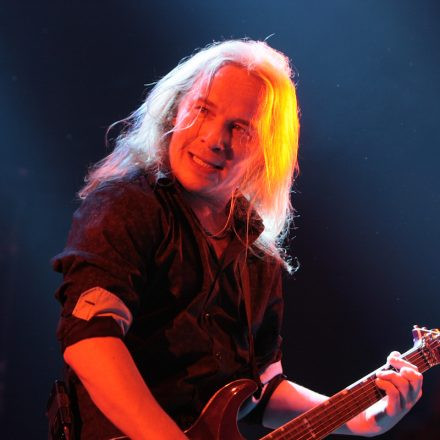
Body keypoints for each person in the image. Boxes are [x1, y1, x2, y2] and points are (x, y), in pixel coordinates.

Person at [53, 40, 423, 439]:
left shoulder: (255, 253)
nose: (215, 138)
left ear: (265, 149)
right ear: (175, 109)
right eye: (202, 110)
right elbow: (91, 341)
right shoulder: (128, 204)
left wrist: (362, 418)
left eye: (240, 127)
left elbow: (260, 391)